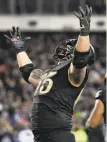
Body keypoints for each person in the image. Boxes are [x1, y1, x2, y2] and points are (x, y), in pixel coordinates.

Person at [5, 5, 95, 142]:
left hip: (57, 135)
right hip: (44, 136)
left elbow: (80, 59)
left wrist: (84, 33)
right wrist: (20, 49)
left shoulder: (75, 73)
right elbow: (28, 73)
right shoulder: (52, 74)